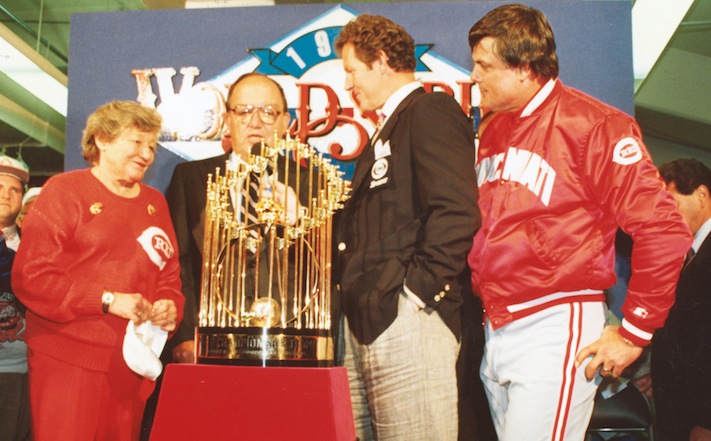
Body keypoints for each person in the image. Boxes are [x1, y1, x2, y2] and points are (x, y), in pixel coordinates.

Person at [466, 4, 692, 440]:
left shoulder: (596, 124)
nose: (473, 75)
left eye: (484, 65)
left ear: (525, 68)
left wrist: (633, 332)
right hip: (495, 323)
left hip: (554, 321)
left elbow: (663, 229)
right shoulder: (492, 129)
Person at [334, 15, 483, 440]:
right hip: (366, 323)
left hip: (407, 321)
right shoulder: (386, 127)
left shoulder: (430, 109)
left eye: (351, 70)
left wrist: (416, 295)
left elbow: (457, 212)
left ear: (380, 61)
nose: (348, 84)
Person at [12, 101, 184, 441]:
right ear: (102, 140)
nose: (146, 154)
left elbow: (169, 276)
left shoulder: (155, 203)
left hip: (131, 364)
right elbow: (31, 276)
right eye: (136, 142)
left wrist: (169, 305)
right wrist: (105, 300)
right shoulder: (64, 191)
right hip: (66, 360)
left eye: (151, 145)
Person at [164, 72, 303, 365]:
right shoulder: (191, 179)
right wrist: (185, 335)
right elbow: (179, 264)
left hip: (289, 344)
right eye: (243, 111)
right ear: (227, 119)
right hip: (209, 343)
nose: (255, 122)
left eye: (268, 111)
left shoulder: (313, 184)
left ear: (285, 121)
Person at [652, 158, 711, 441]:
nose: (667, 215)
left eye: (671, 203)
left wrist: (707, 420)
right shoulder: (689, 253)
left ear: (701, 195)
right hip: (681, 414)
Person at [0, 154, 31, 441]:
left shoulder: (36, 245)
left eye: (14, 189)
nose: (6, 195)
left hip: (25, 369)